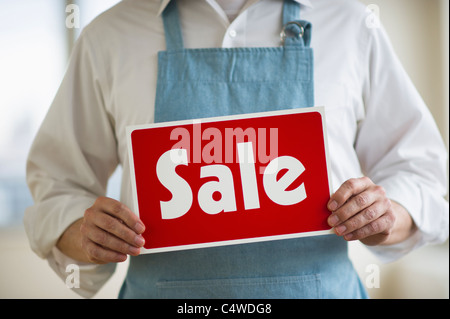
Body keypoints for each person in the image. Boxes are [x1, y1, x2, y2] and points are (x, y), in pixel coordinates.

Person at [24, 0, 448, 299]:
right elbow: (58, 185)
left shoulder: (353, 23)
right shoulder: (108, 36)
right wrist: (84, 234)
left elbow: (421, 174)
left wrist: (386, 215)